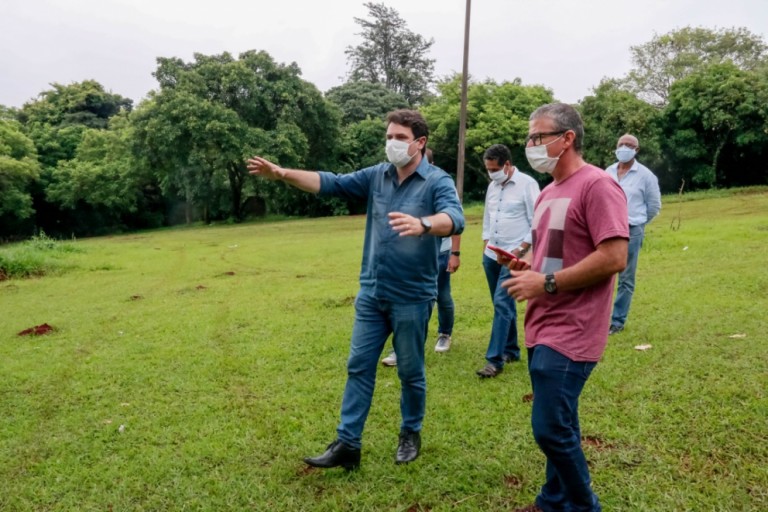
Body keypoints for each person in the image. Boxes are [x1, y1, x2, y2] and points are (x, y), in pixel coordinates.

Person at [247, 109, 464, 470]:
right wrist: (283, 174)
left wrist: (423, 223)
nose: (392, 143)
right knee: (359, 366)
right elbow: (328, 182)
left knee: (410, 371)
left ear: (420, 143)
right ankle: (348, 443)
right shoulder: (376, 176)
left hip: (412, 296)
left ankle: (410, 432)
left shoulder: (437, 181)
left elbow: (454, 219)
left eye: (400, 138)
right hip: (372, 293)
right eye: (389, 136)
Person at [501, 103, 628, 512]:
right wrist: (529, 270)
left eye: (539, 137)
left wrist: (547, 282)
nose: (531, 145)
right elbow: (556, 255)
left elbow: (613, 257)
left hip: (574, 328)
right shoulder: (547, 193)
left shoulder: (597, 186)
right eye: (529, 138)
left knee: (550, 428)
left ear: (567, 138)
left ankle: (583, 505)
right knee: (562, 420)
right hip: (541, 322)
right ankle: (552, 500)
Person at [381, 149, 462, 367]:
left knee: (442, 295)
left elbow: (456, 221)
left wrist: (455, 253)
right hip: (410, 254)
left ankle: (444, 333)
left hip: (440, 251)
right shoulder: (401, 183)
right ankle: (401, 348)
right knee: (406, 299)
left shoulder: (441, 183)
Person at [477, 144, 540, 378]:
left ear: (507, 165)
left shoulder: (527, 184)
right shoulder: (492, 187)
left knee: (502, 303)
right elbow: (488, 216)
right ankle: (512, 350)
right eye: (488, 169)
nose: (491, 173)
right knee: (500, 303)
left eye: (494, 169)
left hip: (515, 255)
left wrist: (523, 247)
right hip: (492, 254)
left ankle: (494, 360)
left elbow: (538, 220)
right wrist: (485, 243)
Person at [605, 134, 661, 335]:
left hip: (631, 230)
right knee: (602, 274)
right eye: (621, 144)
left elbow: (654, 206)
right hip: (607, 230)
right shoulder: (608, 172)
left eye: (630, 145)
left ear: (636, 150)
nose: (624, 147)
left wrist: (638, 223)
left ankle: (617, 321)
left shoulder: (646, 176)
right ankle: (598, 318)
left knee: (626, 278)